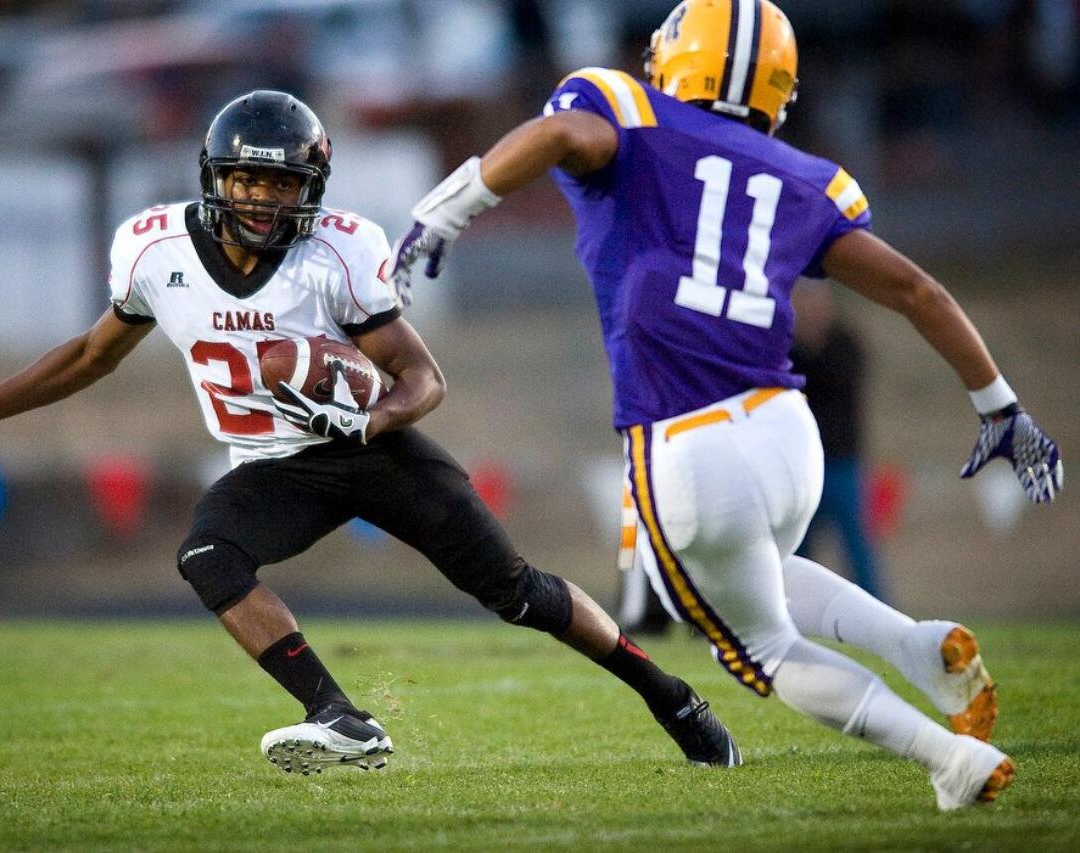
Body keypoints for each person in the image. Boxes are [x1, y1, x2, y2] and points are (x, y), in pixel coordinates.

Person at [0, 90, 741, 775]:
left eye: (283, 184)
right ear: (215, 176)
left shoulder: (337, 253)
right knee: (207, 555)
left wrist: (368, 415)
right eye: (249, 181)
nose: (263, 199)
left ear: (311, 189)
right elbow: (90, 355)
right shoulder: (153, 251)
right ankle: (339, 716)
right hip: (272, 466)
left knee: (516, 592)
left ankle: (671, 697)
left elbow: (425, 380)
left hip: (372, 452)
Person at [386, 0, 1062, 810]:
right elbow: (919, 290)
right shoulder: (805, 177)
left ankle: (947, 757)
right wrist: (1001, 406)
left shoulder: (629, 113)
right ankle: (915, 645)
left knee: (755, 642)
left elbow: (563, 135)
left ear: (677, 57)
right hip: (787, 431)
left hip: (688, 440)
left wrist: (449, 206)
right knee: (761, 575)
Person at [790, 282, 883, 599]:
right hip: (801, 466)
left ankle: (879, 609)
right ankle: (795, 609)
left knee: (858, 546)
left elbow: (837, 385)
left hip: (841, 462)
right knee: (797, 545)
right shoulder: (789, 350)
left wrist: (811, 349)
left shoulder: (844, 344)